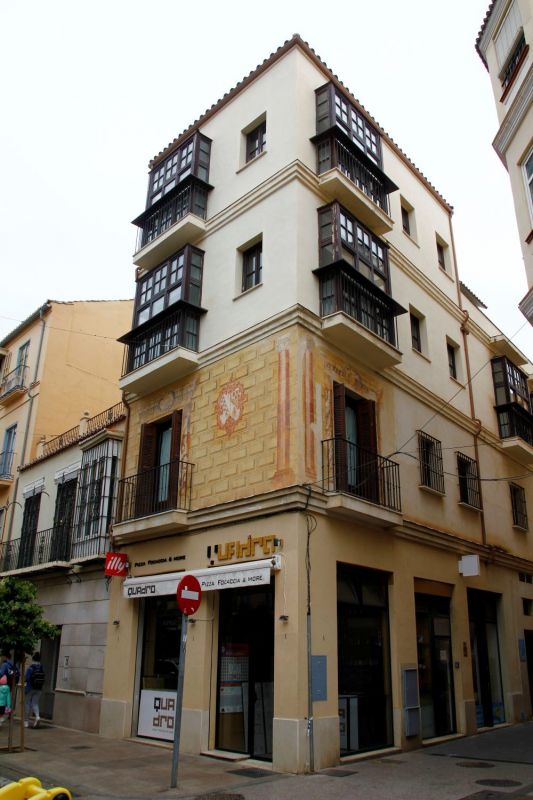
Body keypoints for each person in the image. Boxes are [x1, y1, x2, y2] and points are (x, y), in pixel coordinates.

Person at [24, 652, 44, 728]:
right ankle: (37, 717)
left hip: (30, 688)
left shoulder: (31, 668)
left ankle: (26, 721)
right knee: (35, 703)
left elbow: (27, 678)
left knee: (27, 703)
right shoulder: (41, 668)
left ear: (33, 659)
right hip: (39, 688)